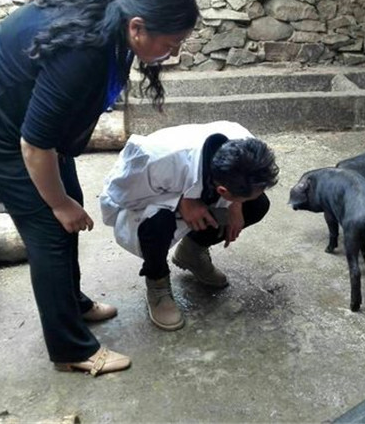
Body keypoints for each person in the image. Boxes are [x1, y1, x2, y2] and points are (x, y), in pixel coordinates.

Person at [0, 0, 199, 376]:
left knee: (68, 209)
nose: (173, 54)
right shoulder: (85, 56)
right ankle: (70, 349)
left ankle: (71, 304)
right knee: (49, 223)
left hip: (16, 103)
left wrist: (66, 202)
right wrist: (59, 203)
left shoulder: (116, 11)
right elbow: (34, 144)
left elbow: (47, 134)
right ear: (137, 27)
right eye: (170, 44)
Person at [100, 121, 279, 331]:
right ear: (222, 190)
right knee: (157, 222)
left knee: (257, 205)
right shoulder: (155, 159)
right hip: (140, 200)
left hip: (205, 189)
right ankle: (157, 283)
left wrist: (237, 204)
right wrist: (181, 201)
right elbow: (119, 197)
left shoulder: (246, 144)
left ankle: (192, 252)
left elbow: (243, 194)